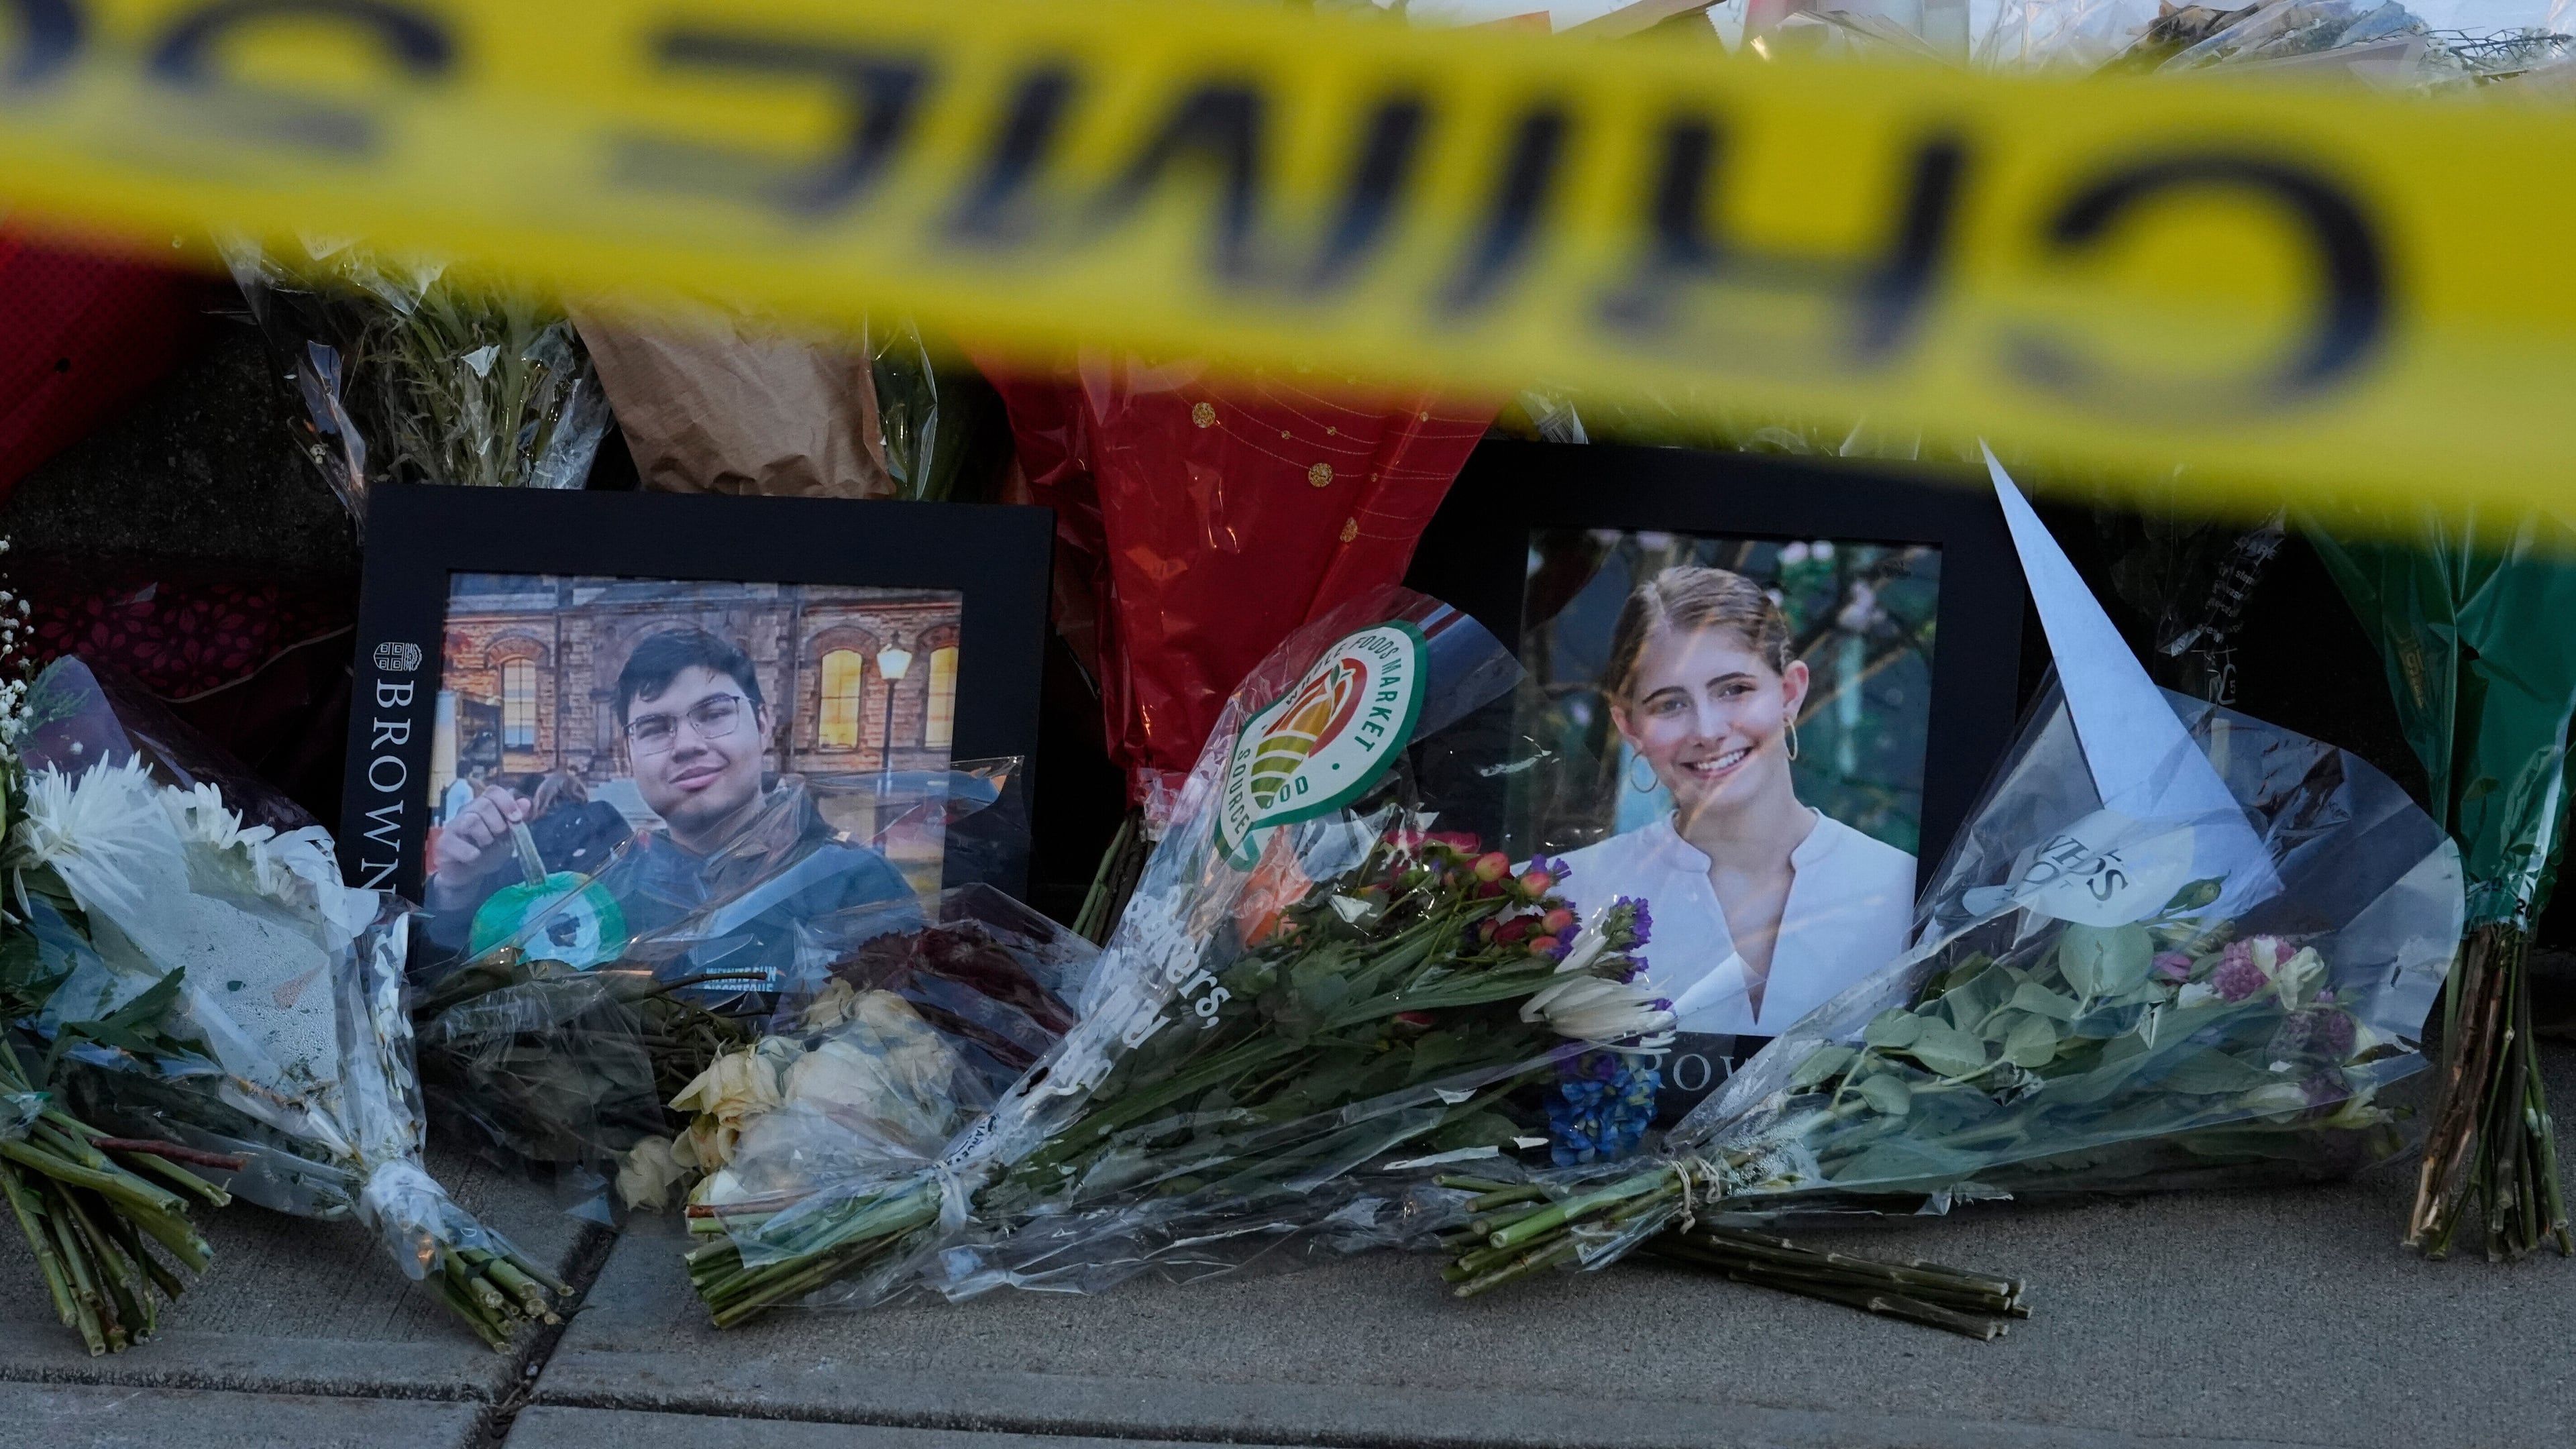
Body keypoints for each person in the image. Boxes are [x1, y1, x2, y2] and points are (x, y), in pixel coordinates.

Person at [1555, 566, 1915, 1112]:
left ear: (1790, 692)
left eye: (1735, 690)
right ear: (1629, 727)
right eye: (1669, 704)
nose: (1706, 729)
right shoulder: (1563, 901)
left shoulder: (1907, 887)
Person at [424, 628, 916, 987]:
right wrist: (456, 891)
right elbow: (460, 996)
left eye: (714, 713)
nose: (686, 744)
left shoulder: (853, 885)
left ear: (764, 724)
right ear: (627, 754)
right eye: (656, 727)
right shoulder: (602, 899)